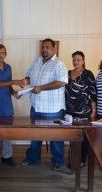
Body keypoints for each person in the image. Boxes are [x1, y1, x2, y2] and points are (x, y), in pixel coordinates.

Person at [20, 38, 68, 171]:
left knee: (55, 136)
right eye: (43, 47)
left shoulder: (59, 64)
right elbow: (29, 76)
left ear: (54, 49)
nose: (44, 50)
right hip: (35, 106)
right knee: (35, 134)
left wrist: (41, 88)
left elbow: (62, 82)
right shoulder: (36, 62)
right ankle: (33, 158)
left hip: (52, 108)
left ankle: (58, 161)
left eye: (48, 47)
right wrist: (25, 80)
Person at [65, 51, 97, 167]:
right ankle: (74, 158)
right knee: (72, 136)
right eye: (74, 59)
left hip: (84, 111)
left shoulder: (88, 74)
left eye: (78, 59)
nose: (76, 62)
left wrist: (93, 112)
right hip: (69, 111)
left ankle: (82, 160)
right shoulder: (67, 73)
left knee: (84, 137)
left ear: (83, 61)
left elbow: (93, 94)